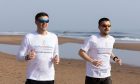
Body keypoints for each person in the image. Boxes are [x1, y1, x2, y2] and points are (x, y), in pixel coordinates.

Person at [17, 12, 60, 84]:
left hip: (49, 78)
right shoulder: (29, 36)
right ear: (36, 22)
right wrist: (27, 57)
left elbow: (56, 54)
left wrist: (56, 60)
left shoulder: (54, 37)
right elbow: (18, 57)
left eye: (47, 21)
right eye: (41, 21)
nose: (44, 23)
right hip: (33, 78)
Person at [79, 17, 122, 84]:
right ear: (99, 27)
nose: (107, 27)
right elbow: (81, 52)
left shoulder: (112, 39)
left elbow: (109, 51)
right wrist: (92, 61)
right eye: (104, 26)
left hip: (107, 75)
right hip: (93, 75)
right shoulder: (92, 38)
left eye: (109, 26)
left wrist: (115, 58)